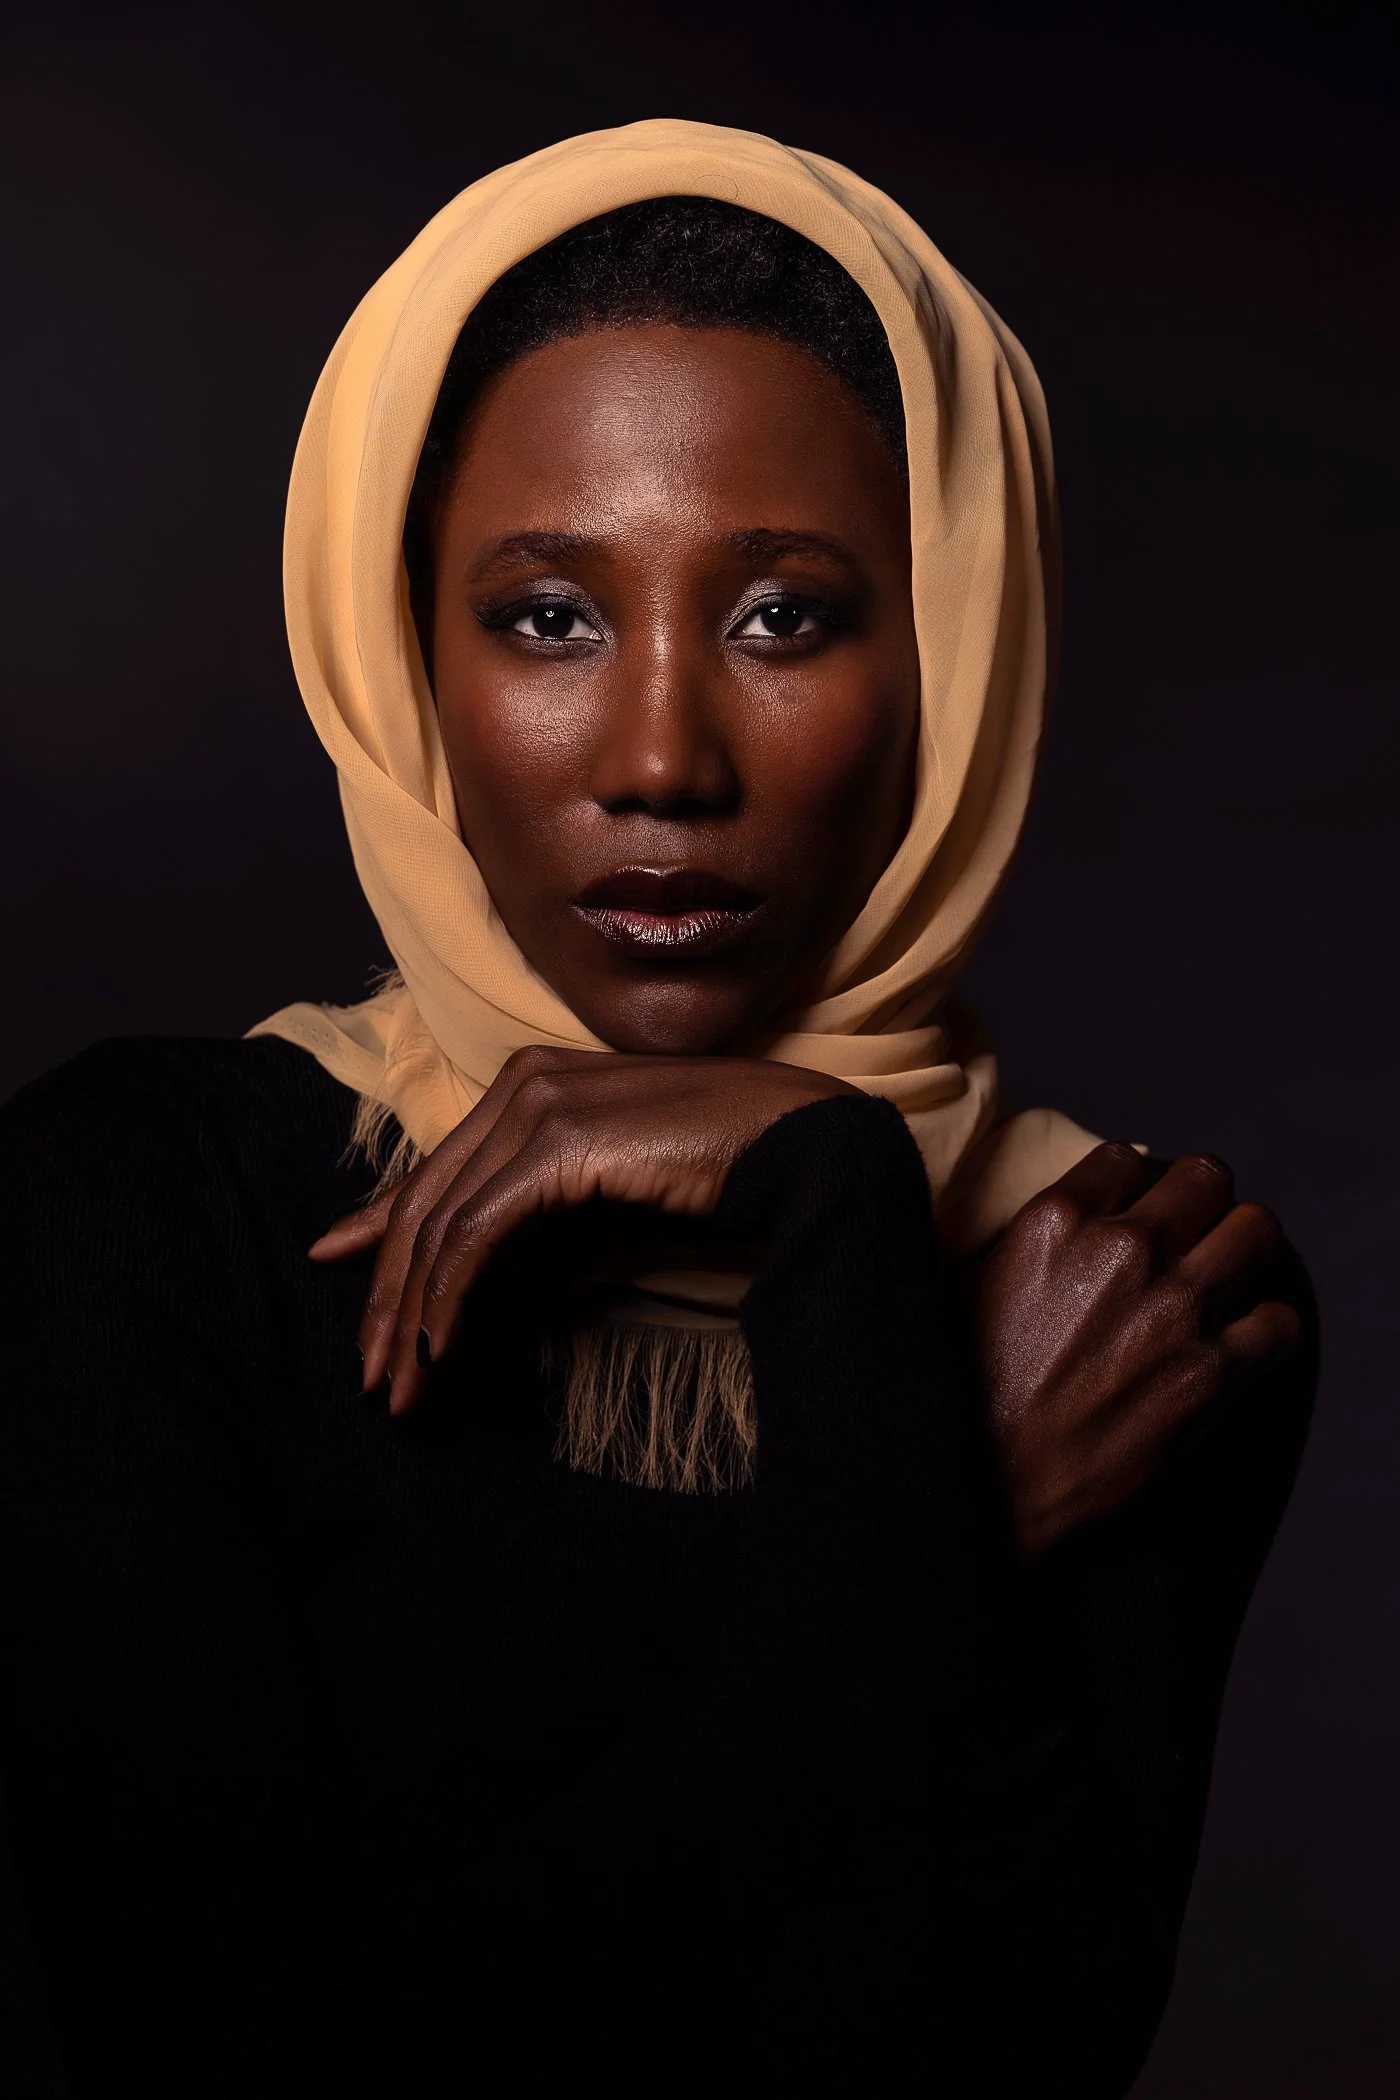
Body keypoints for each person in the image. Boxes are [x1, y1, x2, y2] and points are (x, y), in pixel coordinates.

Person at [0, 120, 1316, 2098]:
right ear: (400, 656)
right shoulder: (136, 1208)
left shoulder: (1119, 1291)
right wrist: (966, 1517)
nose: (661, 755)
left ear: (951, 658)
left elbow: (963, 2055)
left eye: (784, 615)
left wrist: (829, 1190)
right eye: (545, 616)